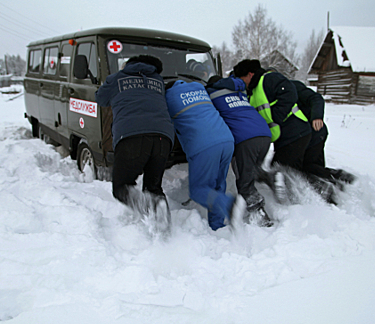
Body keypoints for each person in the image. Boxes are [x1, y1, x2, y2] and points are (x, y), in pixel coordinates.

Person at [95, 55, 175, 232]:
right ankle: (164, 229)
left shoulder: (117, 78)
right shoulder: (158, 80)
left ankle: (148, 205)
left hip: (132, 135)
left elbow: (100, 99)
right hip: (163, 137)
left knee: (121, 187)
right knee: (153, 187)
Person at [165, 79, 245, 231]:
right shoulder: (199, 88)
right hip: (227, 140)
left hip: (204, 145)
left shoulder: (169, 96)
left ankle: (229, 205)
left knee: (198, 190)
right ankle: (217, 226)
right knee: (217, 187)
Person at [206, 75, 283, 226]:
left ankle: (261, 218)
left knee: (244, 182)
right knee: (254, 170)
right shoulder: (238, 92)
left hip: (246, 139)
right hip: (264, 134)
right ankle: (271, 177)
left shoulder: (211, 94)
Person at [233, 60, 312, 171]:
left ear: (250, 74)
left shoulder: (269, 79)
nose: (241, 83)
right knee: (284, 172)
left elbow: (290, 93)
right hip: (284, 138)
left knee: (281, 172)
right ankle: (301, 186)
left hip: (295, 132)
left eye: (241, 79)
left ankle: (301, 187)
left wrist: (276, 117)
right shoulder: (253, 92)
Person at [292, 80, 356, 185]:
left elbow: (316, 98)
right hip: (306, 135)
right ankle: (337, 182)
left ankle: (340, 181)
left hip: (314, 132)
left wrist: (317, 116)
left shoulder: (292, 86)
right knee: (311, 168)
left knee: (309, 167)